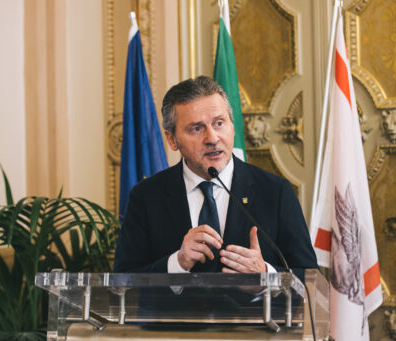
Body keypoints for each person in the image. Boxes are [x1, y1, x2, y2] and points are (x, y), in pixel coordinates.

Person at [114, 76, 317, 279]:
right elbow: (123, 281)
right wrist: (177, 263)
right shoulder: (146, 196)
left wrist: (265, 274)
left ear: (232, 127)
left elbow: (308, 278)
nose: (212, 138)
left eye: (219, 123)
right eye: (196, 128)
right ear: (172, 140)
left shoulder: (275, 192)